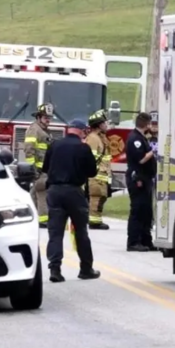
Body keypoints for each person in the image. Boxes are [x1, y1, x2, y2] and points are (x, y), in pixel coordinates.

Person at [43, 118, 101, 282]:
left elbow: (45, 168)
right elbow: (92, 172)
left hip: (54, 191)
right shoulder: (83, 148)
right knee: (81, 231)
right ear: (83, 131)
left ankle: (55, 269)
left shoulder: (54, 145)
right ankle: (85, 268)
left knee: (55, 233)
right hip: (74, 192)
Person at [125, 112, 158, 252]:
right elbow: (141, 159)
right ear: (146, 124)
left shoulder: (142, 138)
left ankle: (146, 240)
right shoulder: (135, 139)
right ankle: (133, 241)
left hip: (146, 178)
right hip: (138, 177)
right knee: (138, 210)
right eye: (150, 123)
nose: (152, 126)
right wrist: (153, 151)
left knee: (146, 211)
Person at [25, 103, 54, 228]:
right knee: (42, 191)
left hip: (44, 168)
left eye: (49, 118)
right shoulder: (34, 129)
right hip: (39, 169)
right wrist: (33, 169)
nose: (48, 120)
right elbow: (29, 149)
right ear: (38, 117)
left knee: (34, 192)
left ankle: (28, 216)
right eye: (45, 117)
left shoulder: (43, 131)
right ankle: (43, 219)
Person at [85, 109, 112, 230]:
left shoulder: (101, 138)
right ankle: (94, 222)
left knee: (101, 198)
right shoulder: (93, 138)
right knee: (95, 197)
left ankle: (97, 219)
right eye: (104, 123)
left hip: (102, 175)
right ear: (98, 125)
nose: (106, 125)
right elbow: (90, 159)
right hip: (95, 176)